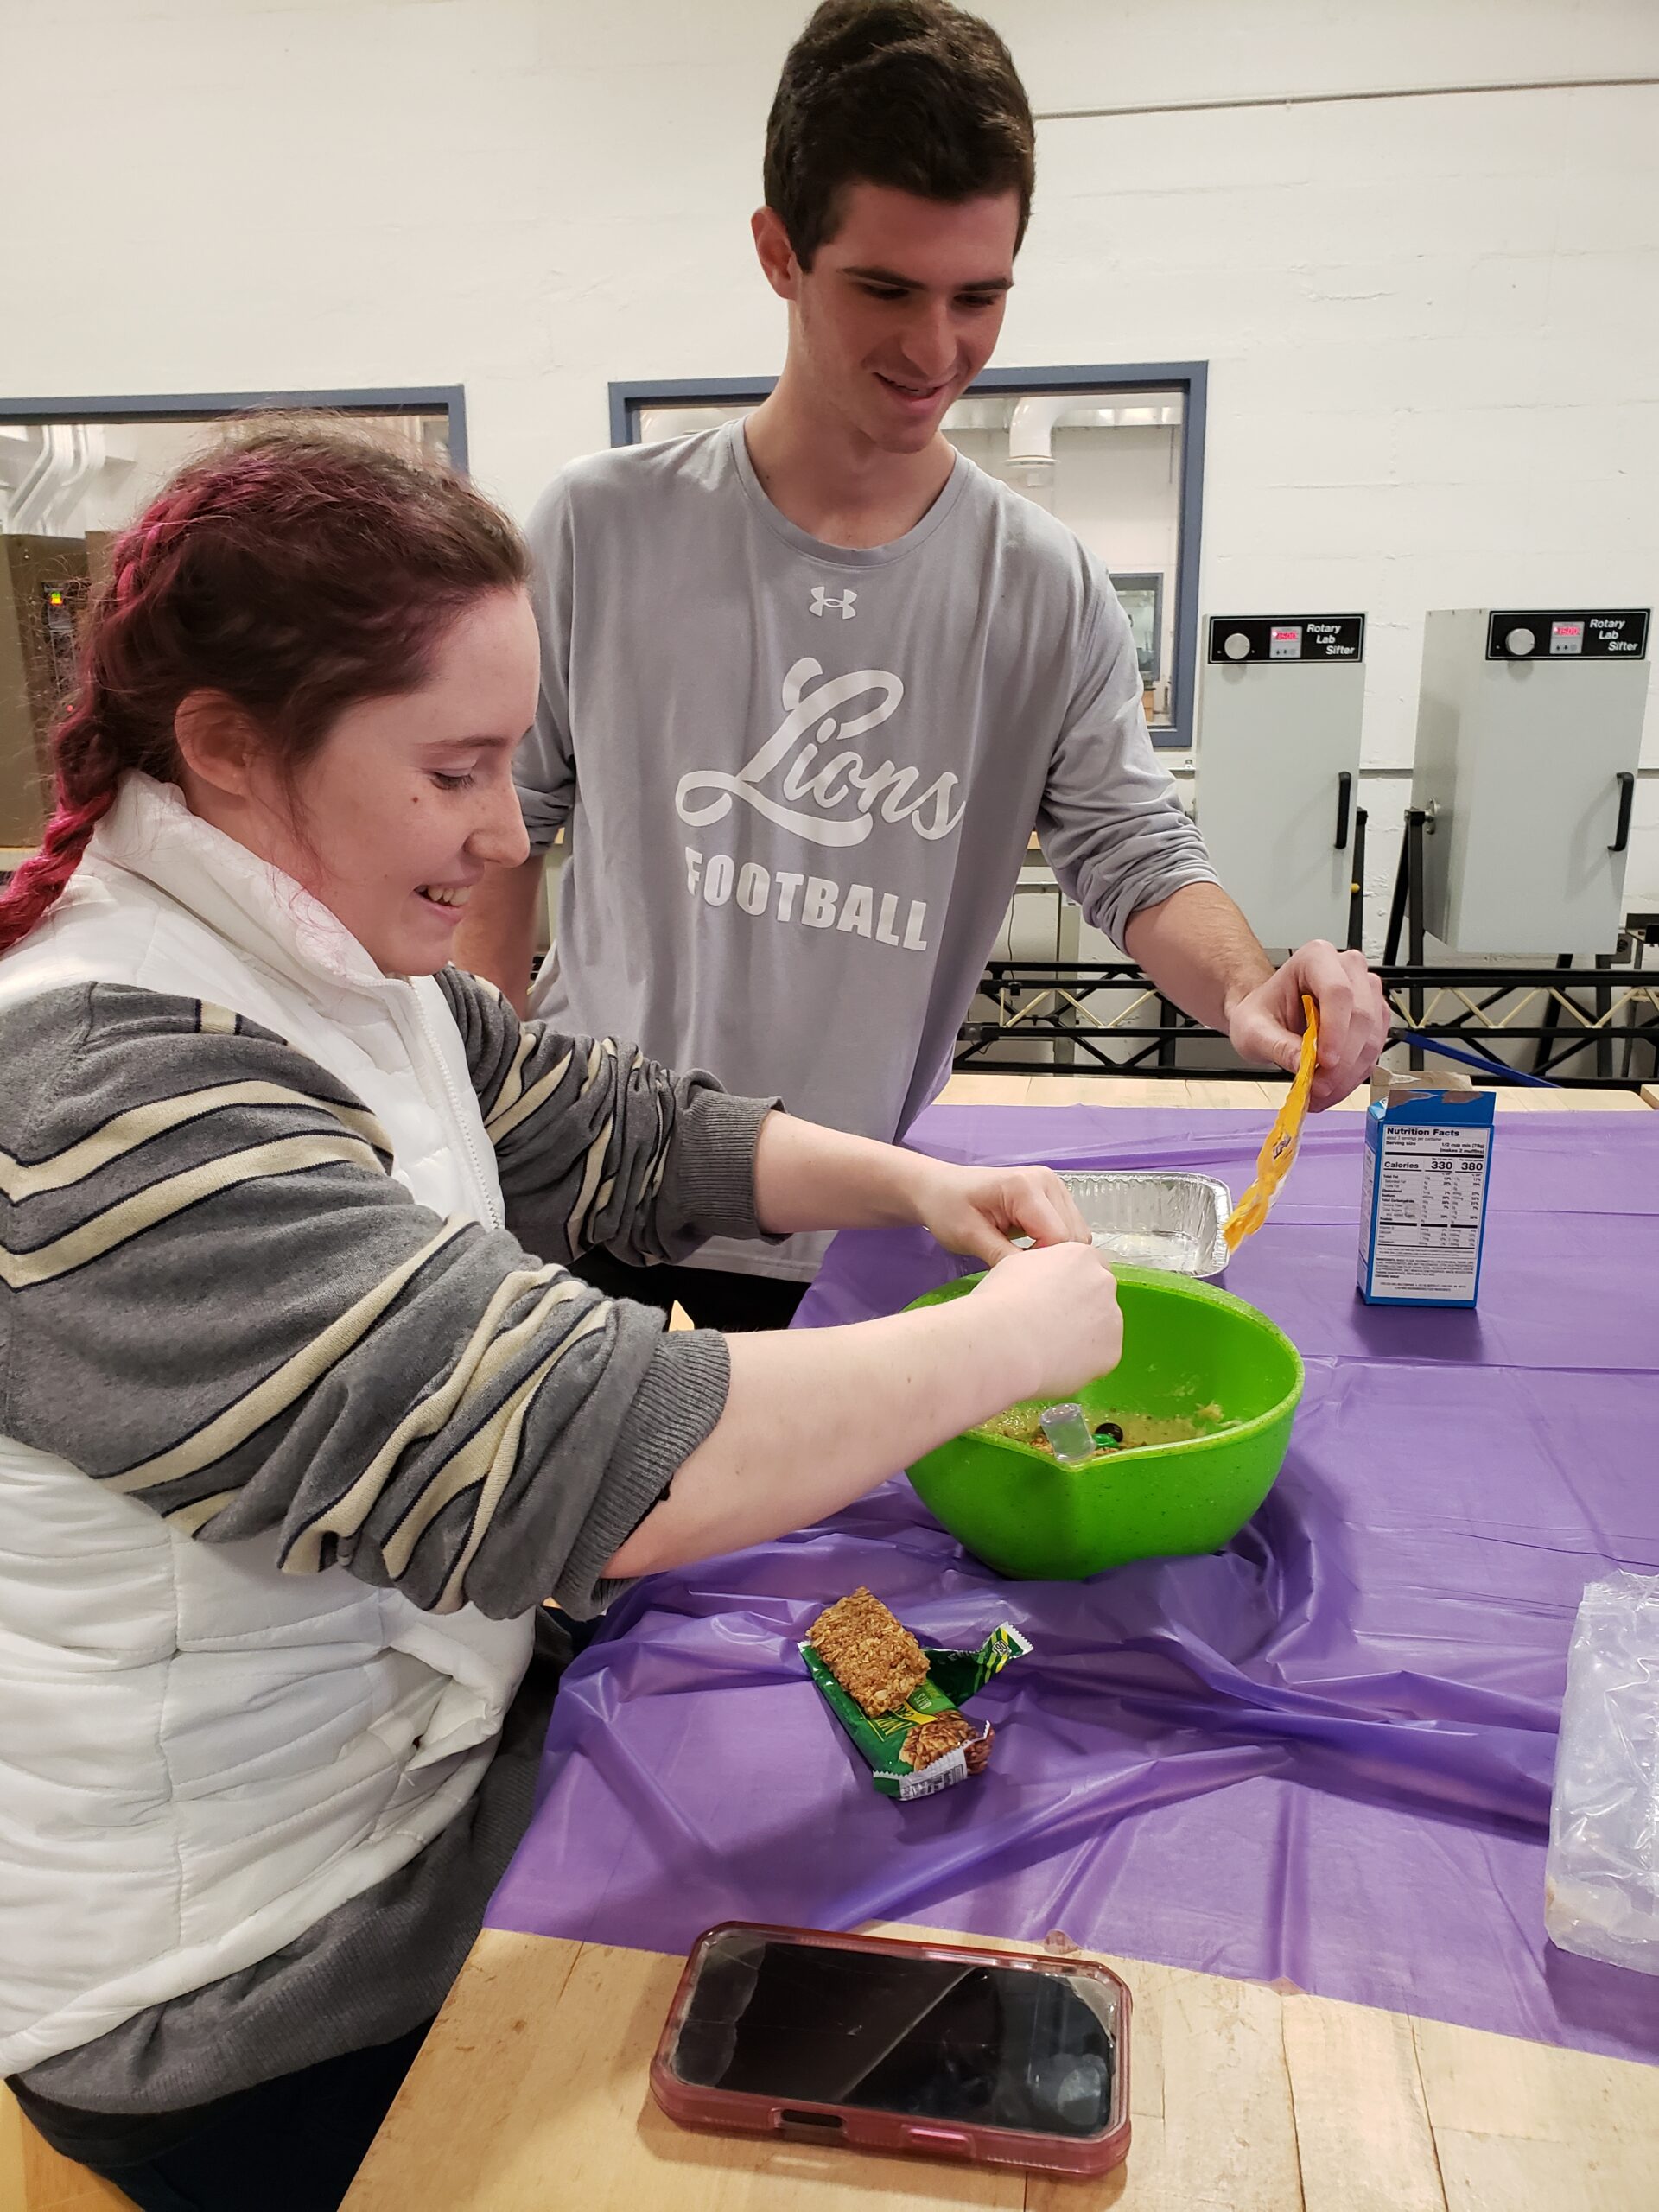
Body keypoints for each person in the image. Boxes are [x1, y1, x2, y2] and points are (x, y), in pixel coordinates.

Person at [0, 425, 1122, 2211]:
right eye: (452, 767)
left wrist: (912, 1188)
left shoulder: (334, 964)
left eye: (510, 763)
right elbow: (593, 1449)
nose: (500, 830)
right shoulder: (104, 1095)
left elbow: (618, 1130)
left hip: (406, 1768)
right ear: (223, 748)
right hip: (245, 1976)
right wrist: (1020, 1336)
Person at [455, 0, 1390, 1334]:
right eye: (886, 290)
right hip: (589, 1204)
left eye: (981, 296)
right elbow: (500, 838)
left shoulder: (1041, 587)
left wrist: (1250, 983)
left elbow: (1132, 852)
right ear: (780, 253)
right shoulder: (599, 530)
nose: (936, 350)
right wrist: (476, 1124)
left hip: (861, 1227)